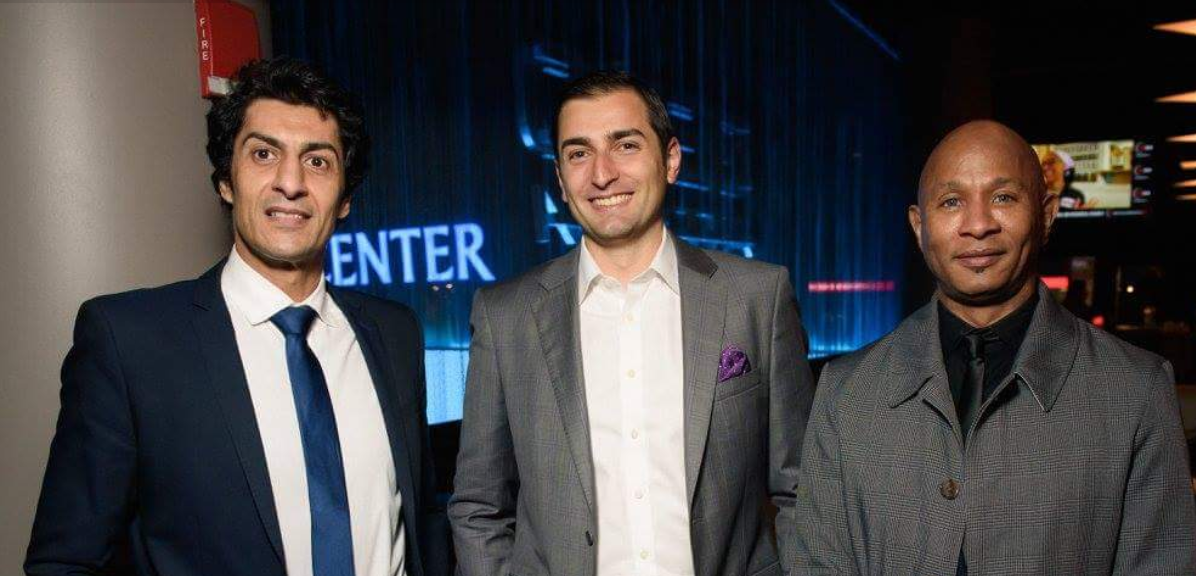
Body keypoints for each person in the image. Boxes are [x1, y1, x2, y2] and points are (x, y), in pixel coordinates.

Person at [26, 57, 446, 576]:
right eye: (264, 154)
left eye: (318, 161)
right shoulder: (130, 342)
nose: (290, 182)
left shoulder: (395, 333)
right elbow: (66, 560)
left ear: (345, 198)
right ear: (226, 180)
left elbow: (423, 519)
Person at [449, 71, 815, 576]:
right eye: (579, 153)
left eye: (625, 145)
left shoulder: (757, 297)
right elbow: (478, 506)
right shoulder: (505, 316)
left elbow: (804, 490)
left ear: (671, 159)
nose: (602, 174)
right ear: (560, 179)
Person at [793, 120, 1196, 574]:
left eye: (1003, 197)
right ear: (919, 226)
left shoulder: (1137, 391)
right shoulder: (845, 391)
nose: (979, 225)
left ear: (1046, 214)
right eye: (951, 202)